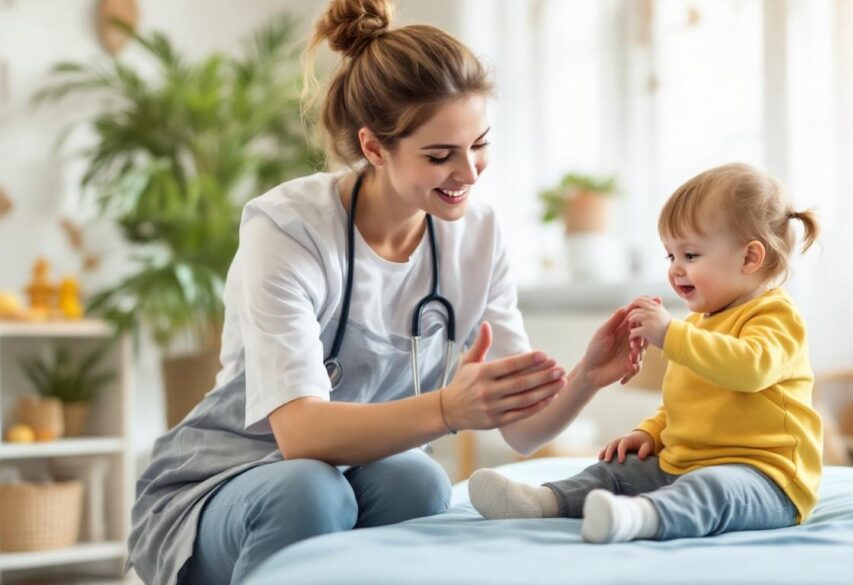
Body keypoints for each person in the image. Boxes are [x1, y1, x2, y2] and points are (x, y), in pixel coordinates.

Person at [126, 1, 643, 583]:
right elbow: (300, 434)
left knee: (417, 480)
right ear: (373, 148)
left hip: (348, 473)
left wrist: (587, 379)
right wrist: (449, 408)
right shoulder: (287, 228)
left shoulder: (479, 234)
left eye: (479, 144)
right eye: (440, 155)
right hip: (228, 480)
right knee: (310, 490)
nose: (470, 173)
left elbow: (521, 430)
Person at [469, 162, 824, 544]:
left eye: (689, 255)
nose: (675, 270)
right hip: (685, 465)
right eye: (670, 257)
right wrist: (649, 433)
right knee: (616, 472)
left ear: (750, 258)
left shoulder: (776, 315)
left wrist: (672, 333)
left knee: (713, 490)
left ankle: (641, 517)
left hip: (765, 478)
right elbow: (685, 403)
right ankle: (543, 501)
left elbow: (749, 369)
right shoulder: (703, 324)